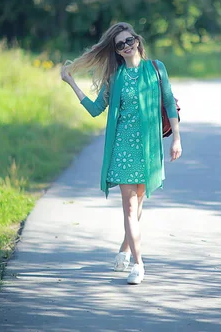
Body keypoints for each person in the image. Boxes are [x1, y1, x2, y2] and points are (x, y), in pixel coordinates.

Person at [60, 22, 182, 285]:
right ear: (116, 51)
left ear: (137, 41)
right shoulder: (115, 78)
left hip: (148, 148)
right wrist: (71, 81)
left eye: (129, 41)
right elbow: (95, 110)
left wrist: (176, 140)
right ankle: (138, 265)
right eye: (120, 45)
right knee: (129, 207)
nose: (126, 46)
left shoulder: (156, 69)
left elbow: (170, 102)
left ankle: (124, 250)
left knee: (138, 205)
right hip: (122, 149)